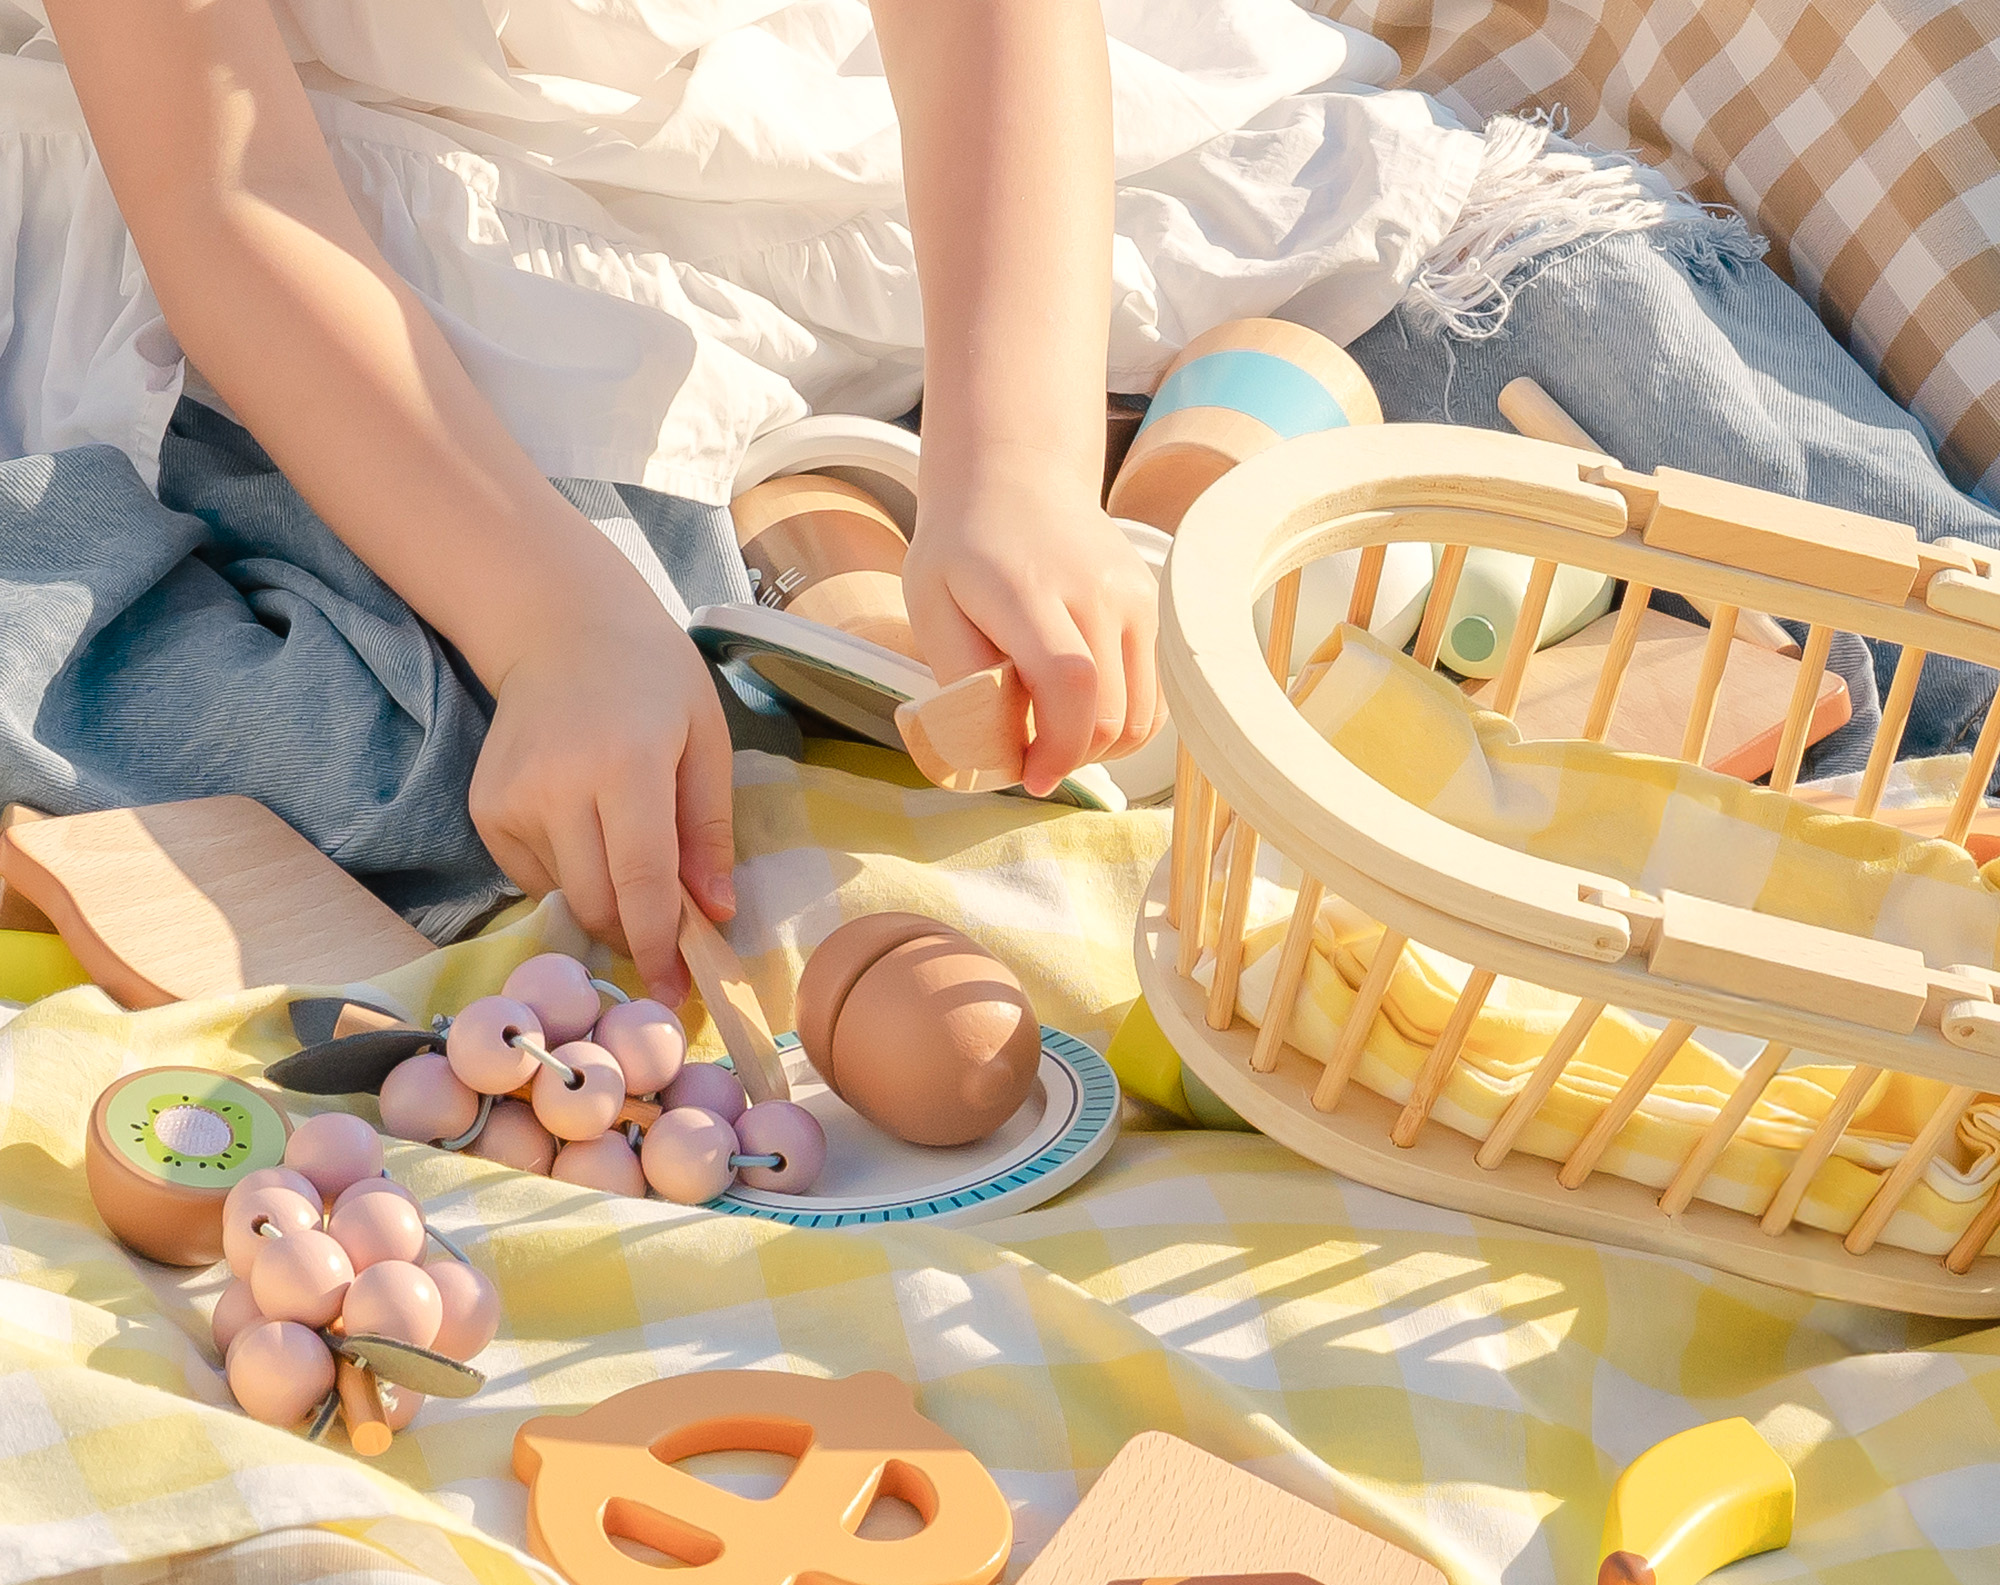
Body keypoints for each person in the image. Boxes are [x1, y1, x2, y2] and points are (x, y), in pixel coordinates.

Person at [6, 2, 1996, 999]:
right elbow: (234, 192)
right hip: (420, 224)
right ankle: (816, 560)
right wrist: (555, 629)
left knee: (1585, 327)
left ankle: (1136, 475)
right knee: (494, 770)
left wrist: (1021, 458)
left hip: (893, 132)